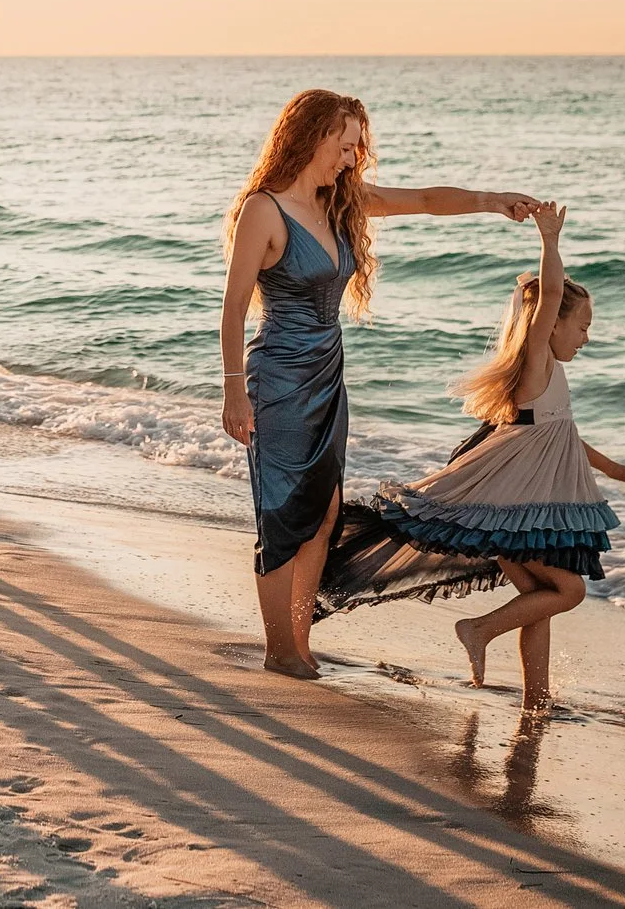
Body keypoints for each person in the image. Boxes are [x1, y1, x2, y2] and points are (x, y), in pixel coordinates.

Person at [217, 89, 540, 679]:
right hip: (278, 380)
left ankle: (298, 639)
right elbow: (235, 305)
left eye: (355, 146)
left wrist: (494, 201)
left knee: (325, 510)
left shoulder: (340, 203)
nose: (351, 156)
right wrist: (234, 389)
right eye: (344, 144)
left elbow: (423, 199)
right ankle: (277, 650)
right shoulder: (263, 210)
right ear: (311, 136)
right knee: (282, 510)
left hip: (328, 375)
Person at [317, 201, 625, 711]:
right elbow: (551, 291)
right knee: (569, 590)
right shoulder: (536, 364)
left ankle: (537, 700)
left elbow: (563, 438)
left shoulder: (552, 378)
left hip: (523, 514)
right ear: (548, 325)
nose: (586, 337)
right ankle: (477, 629)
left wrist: (613, 469)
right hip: (511, 513)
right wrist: (550, 241)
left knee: (539, 603)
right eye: (581, 326)